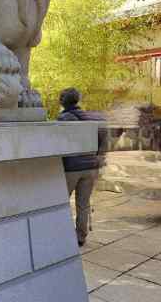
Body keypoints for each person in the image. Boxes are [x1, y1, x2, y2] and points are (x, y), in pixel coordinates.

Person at [57, 87, 105, 246]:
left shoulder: (63, 119)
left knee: (61, 203)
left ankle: (61, 234)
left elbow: (58, 143)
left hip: (72, 167)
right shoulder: (88, 117)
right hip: (91, 167)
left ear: (63, 101)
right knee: (83, 204)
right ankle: (81, 237)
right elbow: (101, 139)